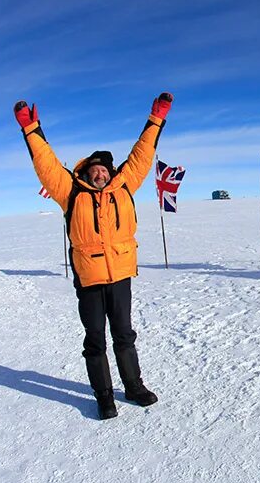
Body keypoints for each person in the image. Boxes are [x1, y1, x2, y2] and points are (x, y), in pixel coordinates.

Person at [13, 93, 173, 420]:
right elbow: (46, 165)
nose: (100, 174)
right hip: (89, 280)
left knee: (125, 335)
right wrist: (32, 130)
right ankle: (104, 396)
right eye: (95, 169)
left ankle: (133, 387)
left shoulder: (123, 185)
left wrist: (156, 118)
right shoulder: (70, 191)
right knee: (95, 340)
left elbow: (142, 154)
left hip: (120, 277)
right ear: (86, 172)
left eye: (104, 170)